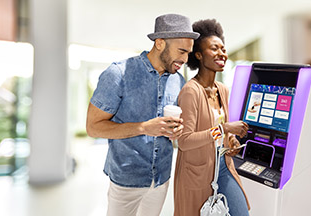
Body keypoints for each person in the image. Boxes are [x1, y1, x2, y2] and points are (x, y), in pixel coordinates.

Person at [86, 14, 199, 216]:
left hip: (161, 179)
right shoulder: (118, 74)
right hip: (126, 181)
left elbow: (173, 130)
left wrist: (176, 131)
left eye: (188, 53)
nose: (185, 59)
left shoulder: (178, 81)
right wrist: (144, 127)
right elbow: (93, 127)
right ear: (160, 43)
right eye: (181, 51)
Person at [173, 19, 250, 216]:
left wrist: (230, 140)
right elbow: (184, 141)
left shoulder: (222, 90)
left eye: (223, 49)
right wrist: (225, 130)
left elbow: (222, 133)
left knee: (241, 212)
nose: (221, 53)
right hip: (197, 172)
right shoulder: (190, 92)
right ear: (198, 55)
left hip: (223, 165)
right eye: (214, 49)